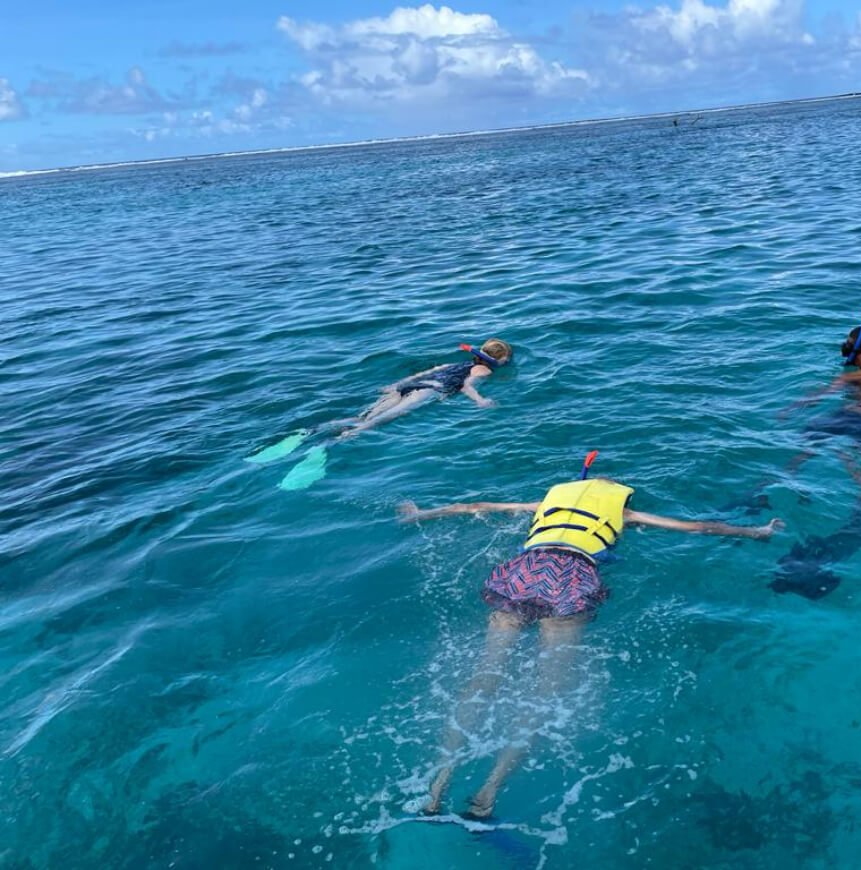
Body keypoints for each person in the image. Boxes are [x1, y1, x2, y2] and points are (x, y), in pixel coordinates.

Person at [397, 452, 783, 819]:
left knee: (484, 675)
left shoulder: (544, 504)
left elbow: (474, 507)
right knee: (546, 687)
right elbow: (700, 527)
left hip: (525, 572)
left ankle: (437, 787)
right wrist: (758, 531)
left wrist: (421, 513)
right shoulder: (626, 512)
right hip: (571, 580)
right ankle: (488, 793)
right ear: (616, 495)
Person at [245, 339, 513, 489]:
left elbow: (423, 373)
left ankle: (311, 431)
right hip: (428, 392)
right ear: (499, 360)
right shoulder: (484, 370)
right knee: (377, 423)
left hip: (407, 386)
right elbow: (466, 385)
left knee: (364, 416)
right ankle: (329, 444)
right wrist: (480, 400)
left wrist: (394, 386)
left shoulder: (454, 362)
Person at [781, 314, 861, 494]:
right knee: (851, 447)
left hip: (855, 416)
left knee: (811, 438)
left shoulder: (850, 377)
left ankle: (787, 474)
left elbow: (819, 396)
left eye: (848, 348)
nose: (845, 352)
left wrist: (791, 408)